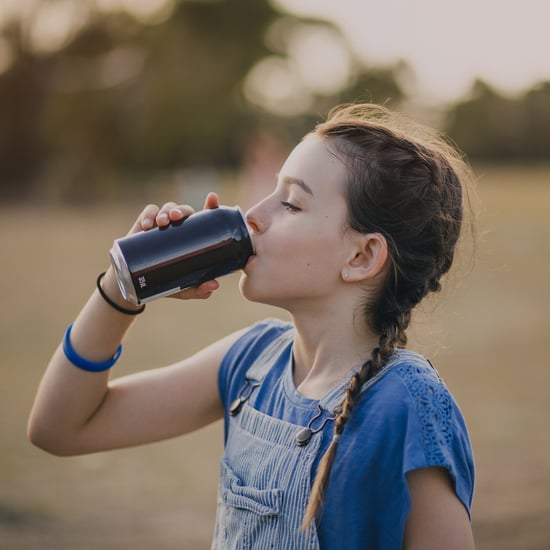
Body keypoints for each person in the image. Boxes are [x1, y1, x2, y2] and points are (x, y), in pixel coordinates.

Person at [28, 103, 476, 549]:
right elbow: (60, 428)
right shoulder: (251, 360)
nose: (251, 215)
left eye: (290, 203)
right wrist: (122, 288)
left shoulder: (408, 406)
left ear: (361, 257)